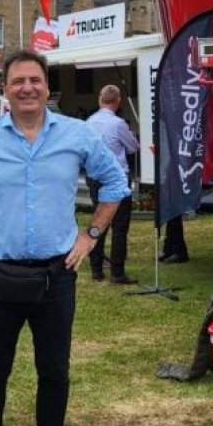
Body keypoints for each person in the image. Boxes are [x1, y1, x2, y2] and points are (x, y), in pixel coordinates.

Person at [0, 49, 129, 426]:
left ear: (47, 86)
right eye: (19, 81)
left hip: (57, 277)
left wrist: (91, 234)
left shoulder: (77, 134)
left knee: (54, 373)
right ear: (7, 89)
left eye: (35, 80)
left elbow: (114, 182)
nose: (27, 88)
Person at [85, 84, 140, 284]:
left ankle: (96, 268)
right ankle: (117, 271)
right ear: (117, 101)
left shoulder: (89, 122)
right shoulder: (118, 124)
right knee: (119, 226)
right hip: (116, 177)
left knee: (98, 221)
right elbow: (133, 147)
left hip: (95, 176)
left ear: (100, 100)